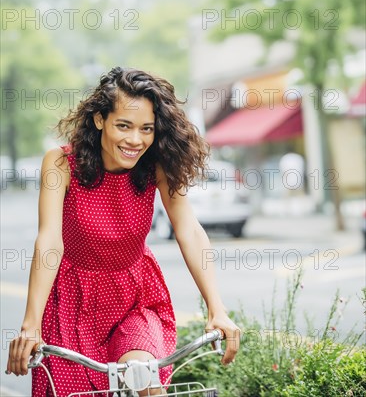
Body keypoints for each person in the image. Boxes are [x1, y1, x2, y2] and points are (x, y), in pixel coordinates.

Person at [7, 67, 241, 397]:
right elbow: (49, 241)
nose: (136, 140)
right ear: (100, 119)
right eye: (124, 126)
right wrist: (30, 326)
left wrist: (217, 309)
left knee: (144, 378)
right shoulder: (61, 164)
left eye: (146, 129)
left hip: (135, 301)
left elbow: (188, 227)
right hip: (72, 304)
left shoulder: (154, 166)